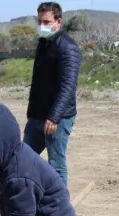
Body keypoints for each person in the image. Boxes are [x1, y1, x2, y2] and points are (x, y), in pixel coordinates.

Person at [24, 2, 81, 186]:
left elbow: (67, 86)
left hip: (58, 118)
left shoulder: (68, 48)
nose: (42, 26)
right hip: (37, 116)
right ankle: (29, 203)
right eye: (40, 21)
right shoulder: (43, 43)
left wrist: (54, 117)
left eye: (46, 21)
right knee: (24, 159)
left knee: (56, 164)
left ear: (58, 22)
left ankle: (60, 209)